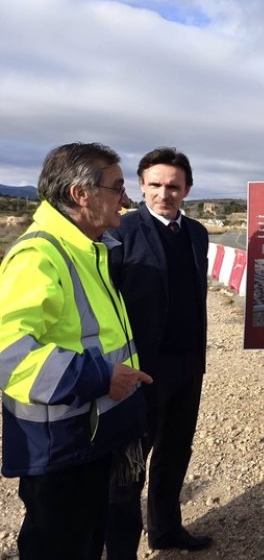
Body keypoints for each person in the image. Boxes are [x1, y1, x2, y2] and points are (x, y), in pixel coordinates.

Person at [0, 142, 153, 559]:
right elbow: (8, 357)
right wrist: (102, 376)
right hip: (61, 449)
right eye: (117, 187)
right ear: (80, 194)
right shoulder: (38, 256)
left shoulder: (90, 250)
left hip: (91, 437)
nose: (126, 199)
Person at [104, 147, 210, 556]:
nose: (164, 193)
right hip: (140, 369)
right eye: (155, 185)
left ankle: (166, 530)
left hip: (187, 365)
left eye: (173, 186)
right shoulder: (122, 233)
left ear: (186, 189)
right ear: (142, 186)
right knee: (129, 466)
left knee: (175, 452)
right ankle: (120, 548)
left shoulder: (197, 233)